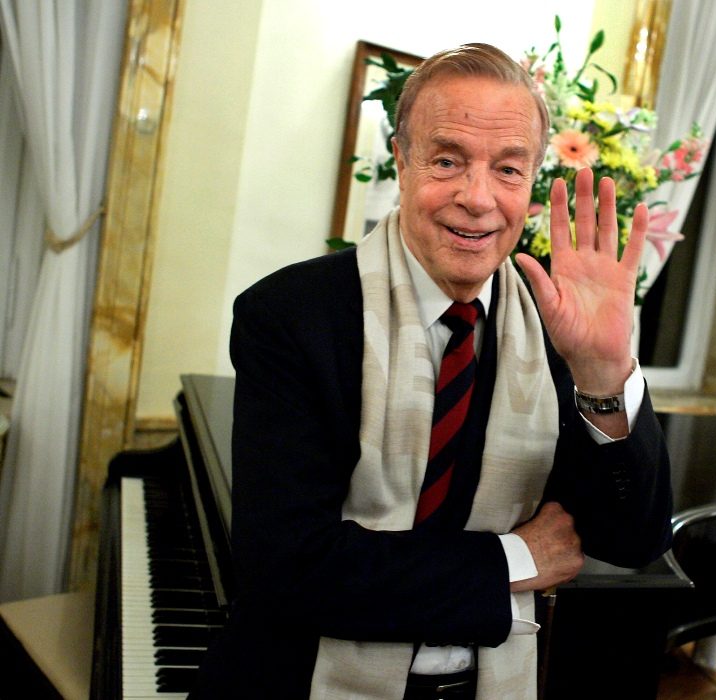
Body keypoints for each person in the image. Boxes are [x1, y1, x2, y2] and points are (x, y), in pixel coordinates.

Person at [193, 42, 672, 699]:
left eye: (508, 169)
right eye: (448, 161)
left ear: (532, 183)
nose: (478, 198)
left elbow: (633, 541)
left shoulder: (556, 323)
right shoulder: (291, 315)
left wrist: (603, 372)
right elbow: (288, 568)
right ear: (402, 159)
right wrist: (516, 558)